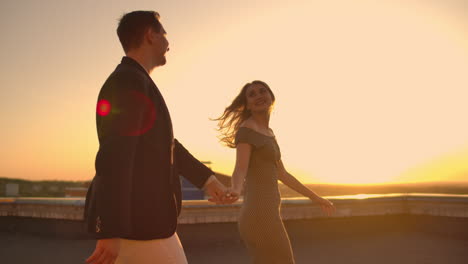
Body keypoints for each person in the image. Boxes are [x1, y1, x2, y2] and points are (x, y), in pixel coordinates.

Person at [84, 11, 236, 264]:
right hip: (138, 227)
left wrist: (207, 180)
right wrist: (110, 229)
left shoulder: (134, 79)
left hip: (145, 225)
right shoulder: (128, 81)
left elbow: (167, 145)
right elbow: (114, 156)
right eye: (164, 35)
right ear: (150, 35)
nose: (168, 43)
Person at [214, 80, 336, 264]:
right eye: (252, 94)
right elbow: (240, 168)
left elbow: (283, 174)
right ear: (247, 104)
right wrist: (236, 189)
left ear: (271, 97)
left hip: (269, 214)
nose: (258, 96)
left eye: (262, 91)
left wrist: (316, 198)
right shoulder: (246, 130)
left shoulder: (269, 133)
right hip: (259, 215)